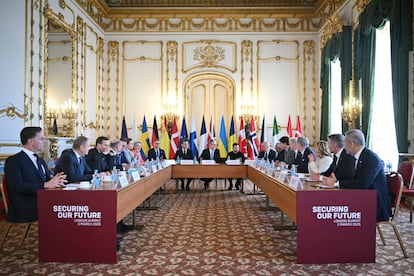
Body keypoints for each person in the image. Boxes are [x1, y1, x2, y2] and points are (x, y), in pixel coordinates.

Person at [322, 129, 392, 222]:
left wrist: (337, 183)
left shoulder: (371, 158)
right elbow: (352, 179)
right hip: (363, 198)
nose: (344, 146)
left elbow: (363, 184)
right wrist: (335, 180)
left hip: (376, 203)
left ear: (352, 144)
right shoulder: (357, 157)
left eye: (345, 142)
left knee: (339, 211)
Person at [4, 127, 67, 222]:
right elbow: (17, 186)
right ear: (31, 141)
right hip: (26, 208)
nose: (45, 142)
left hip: (43, 202)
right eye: (41, 138)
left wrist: (57, 181)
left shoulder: (40, 160)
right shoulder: (13, 161)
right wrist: (46, 184)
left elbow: (48, 179)